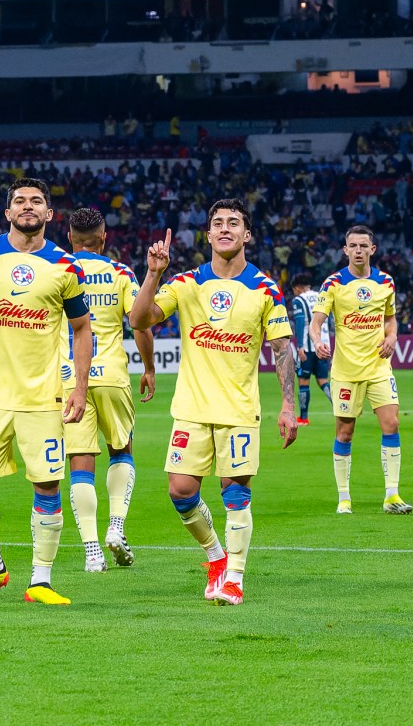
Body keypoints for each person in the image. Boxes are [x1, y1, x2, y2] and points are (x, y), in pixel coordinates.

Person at [129, 199, 297, 606]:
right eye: (218, 223)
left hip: (239, 409)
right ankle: (216, 557)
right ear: (207, 235)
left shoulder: (263, 287)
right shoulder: (187, 284)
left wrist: (288, 405)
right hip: (191, 409)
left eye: (234, 223)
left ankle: (235, 579)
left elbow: (282, 348)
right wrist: (153, 274)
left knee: (235, 492)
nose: (225, 229)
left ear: (247, 235)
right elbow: (140, 318)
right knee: (180, 491)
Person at [0, 178, 93, 606]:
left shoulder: (66, 267)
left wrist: (79, 387)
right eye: (20, 201)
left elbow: (82, 329)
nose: (28, 207)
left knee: (47, 486)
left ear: (49, 214)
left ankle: (40, 581)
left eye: (37, 201)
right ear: (7, 213)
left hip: (42, 398)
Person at [59, 207, 156, 572]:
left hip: (70, 379)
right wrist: (148, 368)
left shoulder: (58, 269)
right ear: (104, 238)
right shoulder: (121, 273)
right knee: (121, 449)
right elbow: (140, 323)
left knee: (81, 462)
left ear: (69, 238)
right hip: (113, 376)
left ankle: (91, 551)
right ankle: (116, 526)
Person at [309, 226, 413, 516]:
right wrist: (317, 340)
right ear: (345, 250)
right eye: (352, 246)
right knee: (345, 432)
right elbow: (316, 322)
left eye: (363, 246)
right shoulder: (333, 283)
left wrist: (392, 337)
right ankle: (344, 498)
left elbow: (391, 320)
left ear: (372, 249)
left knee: (391, 424)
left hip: (379, 367)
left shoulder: (386, 282)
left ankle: (392, 495)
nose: (358, 250)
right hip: (346, 371)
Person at [289, 273, 332, 426]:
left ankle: (303, 418)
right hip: (324, 345)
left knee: (303, 381)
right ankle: (342, 409)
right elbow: (330, 320)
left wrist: (300, 346)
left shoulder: (299, 300)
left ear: (297, 288)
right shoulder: (321, 296)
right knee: (323, 381)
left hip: (308, 347)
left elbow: (300, 323)